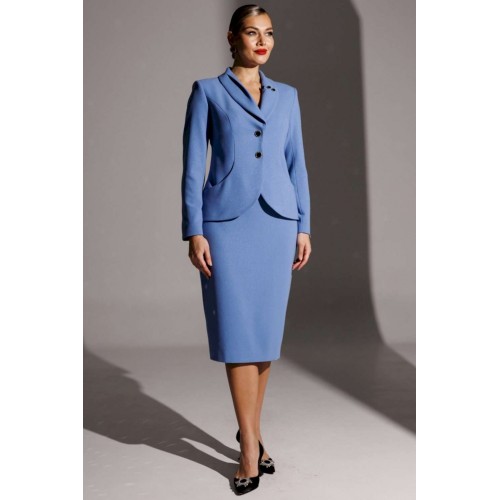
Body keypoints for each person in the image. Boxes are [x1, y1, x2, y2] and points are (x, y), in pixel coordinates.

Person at [181, 4, 312, 495]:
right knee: (238, 335)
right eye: (252, 33)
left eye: (269, 33)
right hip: (226, 226)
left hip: (277, 222)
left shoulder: (288, 96)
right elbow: (192, 166)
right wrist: (194, 230)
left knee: (263, 336)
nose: (262, 42)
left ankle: (250, 433)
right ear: (232, 37)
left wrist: (304, 224)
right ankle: (250, 451)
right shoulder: (207, 92)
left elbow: (297, 163)